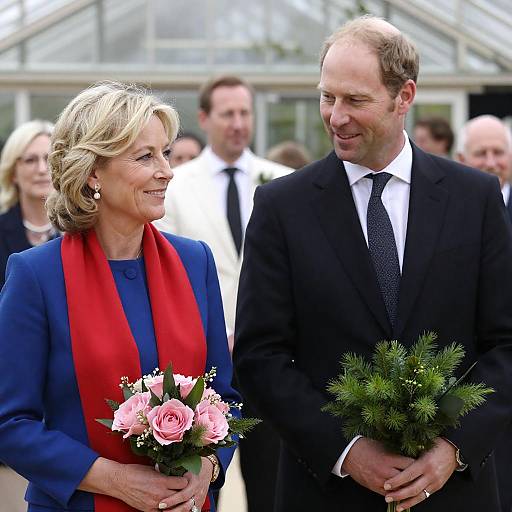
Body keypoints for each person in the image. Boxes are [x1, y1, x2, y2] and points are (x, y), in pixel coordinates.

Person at [234, 15, 512, 512]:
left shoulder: (476, 198)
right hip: (327, 492)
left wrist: (452, 446)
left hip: (455, 493)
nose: (335, 116)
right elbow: (260, 354)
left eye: (355, 100)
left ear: (404, 96)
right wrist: (346, 451)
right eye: (327, 97)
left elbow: (506, 342)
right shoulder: (281, 207)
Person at [0, 81, 239, 512]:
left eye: (165, 153)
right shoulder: (36, 275)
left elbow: (226, 395)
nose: (166, 170)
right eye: (145, 156)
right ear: (93, 172)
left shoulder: (194, 262)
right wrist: (114, 479)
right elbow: (10, 423)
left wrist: (208, 469)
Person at [155, 75, 291, 512]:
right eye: (227, 114)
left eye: (245, 113)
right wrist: (221, 336)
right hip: (204, 368)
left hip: (273, 362)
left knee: (273, 485)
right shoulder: (175, 183)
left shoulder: (285, 183)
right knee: (198, 482)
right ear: (204, 118)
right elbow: (168, 273)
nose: (238, 123)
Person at [456, 114, 512, 512]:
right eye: (482, 153)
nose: (491, 161)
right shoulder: (452, 212)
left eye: (500, 152)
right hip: (476, 387)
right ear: (462, 157)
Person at [0, 120, 57, 289]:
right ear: (13, 173)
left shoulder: (81, 229)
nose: (41, 169)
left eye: (48, 159)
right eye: (30, 160)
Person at [456, 115, 512, 221]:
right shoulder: (444, 211)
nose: (490, 163)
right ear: (461, 159)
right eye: (480, 154)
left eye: (498, 152)